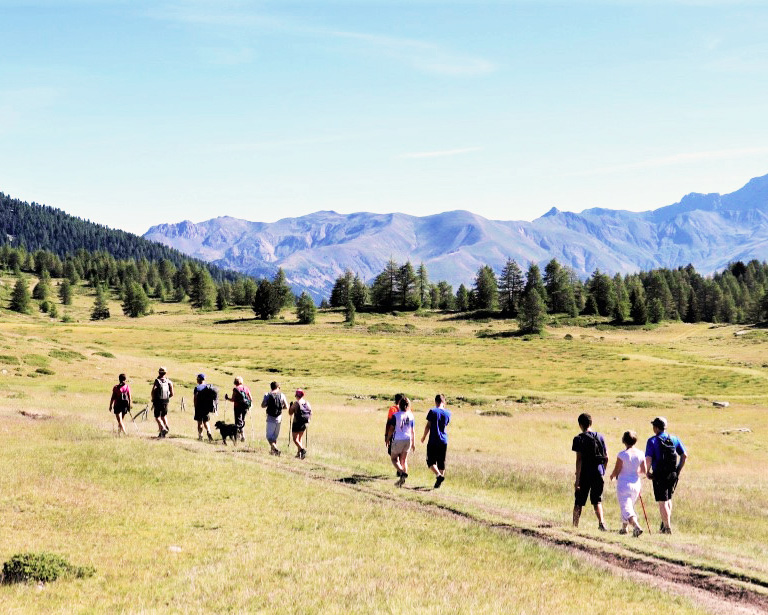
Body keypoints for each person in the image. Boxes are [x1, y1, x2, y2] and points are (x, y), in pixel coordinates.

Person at [645, 416, 688, 534]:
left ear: (656, 428)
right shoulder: (674, 439)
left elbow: (648, 459)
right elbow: (684, 455)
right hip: (672, 474)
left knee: (662, 501)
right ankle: (664, 526)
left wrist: (647, 472)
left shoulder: (652, 441)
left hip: (659, 474)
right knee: (668, 498)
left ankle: (667, 528)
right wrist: (678, 470)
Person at [572, 412, 608, 530]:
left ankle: (575, 526)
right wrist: (603, 471)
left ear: (580, 425)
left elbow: (579, 460)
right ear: (591, 423)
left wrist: (577, 480)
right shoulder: (600, 437)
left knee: (579, 501)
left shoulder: (578, 439)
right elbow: (606, 457)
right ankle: (601, 523)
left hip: (585, 473)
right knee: (597, 500)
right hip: (598, 472)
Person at [609, 430, 647, 537]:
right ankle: (624, 528)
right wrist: (634, 471)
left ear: (623, 441)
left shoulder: (622, 455)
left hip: (624, 484)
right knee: (628, 506)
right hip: (636, 484)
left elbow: (617, 470)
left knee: (626, 507)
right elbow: (644, 470)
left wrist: (612, 476)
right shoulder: (641, 453)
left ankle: (636, 526)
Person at [420, 393, 451, 489]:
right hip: (444, 440)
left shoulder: (432, 411)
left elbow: (428, 426)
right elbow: (445, 424)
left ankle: (438, 475)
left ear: (435, 401)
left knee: (430, 461)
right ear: (443, 402)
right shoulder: (448, 413)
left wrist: (424, 436)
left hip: (433, 440)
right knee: (441, 462)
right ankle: (438, 483)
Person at [385, 396, 415, 487]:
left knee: (394, 459)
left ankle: (402, 473)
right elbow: (412, 431)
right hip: (408, 439)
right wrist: (413, 443)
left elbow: (391, 429)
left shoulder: (396, 415)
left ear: (399, 405)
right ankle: (402, 481)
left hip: (398, 439)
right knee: (404, 460)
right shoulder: (411, 415)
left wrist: (387, 438)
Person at [261, 381, 288, 456]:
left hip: (270, 418)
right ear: (278, 387)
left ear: (271, 387)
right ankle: (273, 451)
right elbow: (286, 406)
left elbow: (262, 405)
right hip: (279, 418)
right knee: (274, 437)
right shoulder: (282, 395)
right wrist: (280, 408)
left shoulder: (267, 395)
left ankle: (275, 448)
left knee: (269, 437)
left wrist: (268, 405)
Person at [224, 376, 252, 442]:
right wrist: (249, 404)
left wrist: (227, 398)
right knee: (242, 421)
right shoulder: (246, 388)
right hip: (245, 407)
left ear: (235, 382)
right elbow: (251, 398)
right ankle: (240, 435)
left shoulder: (235, 389)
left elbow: (233, 399)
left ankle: (241, 436)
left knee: (238, 422)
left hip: (237, 407)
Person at [151, 366, 174, 438]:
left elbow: (153, 390)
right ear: (165, 373)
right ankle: (165, 429)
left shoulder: (157, 381)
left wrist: (153, 398)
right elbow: (172, 393)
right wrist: (167, 398)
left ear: (159, 373)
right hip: (166, 401)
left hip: (158, 401)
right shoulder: (169, 381)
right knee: (164, 416)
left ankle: (163, 428)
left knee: (157, 416)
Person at [288, 388, 312, 459]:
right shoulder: (307, 403)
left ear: (296, 395)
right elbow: (311, 412)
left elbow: (290, 413)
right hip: (304, 423)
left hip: (296, 423)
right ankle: (299, 454)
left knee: (295, 439)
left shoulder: (296, 403)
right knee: (300, 438)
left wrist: (290, 407)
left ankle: (302, 450)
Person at [193, 373, 214, 442]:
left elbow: (195, 398)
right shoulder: (208, 387)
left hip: (199, 407)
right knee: (206, 421)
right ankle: (209, 432)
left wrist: (195, 405)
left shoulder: (197, 388)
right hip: (206, 407)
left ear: (199, 379)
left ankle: (200, 436)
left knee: (199, 422)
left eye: (197, 378)